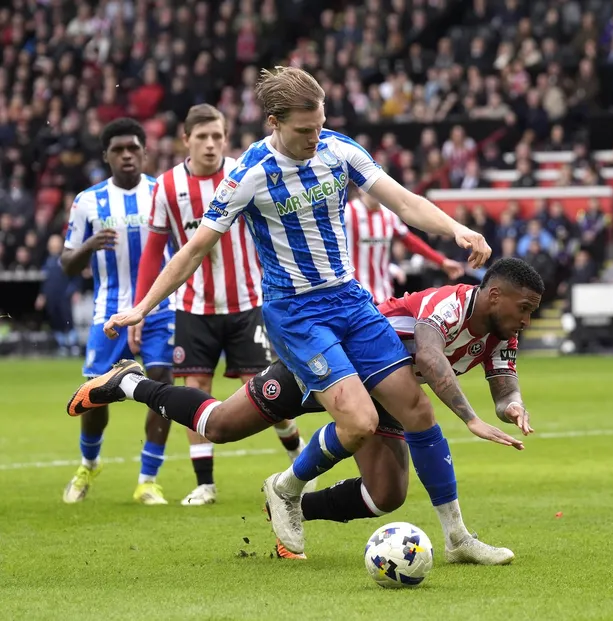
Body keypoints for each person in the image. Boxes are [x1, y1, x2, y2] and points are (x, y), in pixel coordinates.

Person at [98, 67, 503, 563]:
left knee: (416, 410)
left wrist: (457, 230)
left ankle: (458, 539)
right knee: (358, 422)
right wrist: (141, 307)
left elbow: (402, 201)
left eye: (320, 124)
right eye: (304, 130)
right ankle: (286, 488)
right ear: (274, 123)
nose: (315, 136)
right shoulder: (249, 174)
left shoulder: (339, 150)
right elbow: (193, 250)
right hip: (296, 315)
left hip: (351, 303)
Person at [68, 257, 542, 562]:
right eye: (523, 308)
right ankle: (129, 381)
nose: (526, 320)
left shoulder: (502, 334)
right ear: (494, 295)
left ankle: (291, 504)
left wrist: (512, 405)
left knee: (387, 494)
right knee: (219, 425)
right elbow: (430, 355)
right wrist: (470, 418)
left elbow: (504, 385)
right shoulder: (451, 303)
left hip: (388, 393)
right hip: (331, 358)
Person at [134, 104, 307, 507]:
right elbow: (153, 253)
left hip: (248, 303)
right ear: (186, 140)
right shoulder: (166, 187)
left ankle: (298, 459)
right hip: (193, 308)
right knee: (196, 390)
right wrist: (141, 308)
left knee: (268, 392)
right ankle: (205, 483)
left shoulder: (244, 172)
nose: (211, 145)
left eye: (217, 136)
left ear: (225, 139)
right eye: (202, 137)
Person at [60, 117, 175, 505]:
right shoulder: (88, 201)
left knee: (161, 384)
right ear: (106, 156)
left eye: (133, 149)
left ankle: (147, 479)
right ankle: (89, 464)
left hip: (160, 310)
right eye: (118, 150)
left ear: (145, 152)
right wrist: (89, 244)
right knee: (96, 394)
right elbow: (67, 265)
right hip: (107, 312)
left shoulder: (162, 194)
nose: (127, 156)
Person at [346, 186, 465, 305]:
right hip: (355, 294)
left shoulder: (389, 215)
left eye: (375, 186)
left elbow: (411, 242)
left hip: (383, 295)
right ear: (359, 189)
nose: (373, 190)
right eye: (367, 186)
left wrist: (442, 261)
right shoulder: (348, 212)